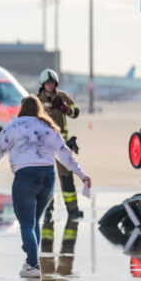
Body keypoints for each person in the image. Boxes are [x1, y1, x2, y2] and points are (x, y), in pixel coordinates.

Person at [0, 95, 90, 277]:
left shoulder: (15, 124)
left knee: (26, 224)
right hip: (48, 177)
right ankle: (30, 260)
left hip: (26, 176)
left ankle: (33, 265)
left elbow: (0, 145)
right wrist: (81, 174)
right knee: (35, 221)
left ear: (22, 109)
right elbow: (65, 154)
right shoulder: (49, 127)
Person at [37, 68, 83, 225]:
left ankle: (73, 210)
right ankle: (47, 210)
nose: (50, 85)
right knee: (46, 180)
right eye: (47, 83)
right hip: (45, 147)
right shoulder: (37, 100)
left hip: (61, 146)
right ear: (43, 84)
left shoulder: (63, 96)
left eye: (52, 82)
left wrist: (64, 108)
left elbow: (76, 113)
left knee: (67, 178)